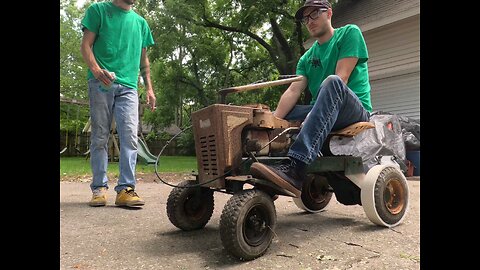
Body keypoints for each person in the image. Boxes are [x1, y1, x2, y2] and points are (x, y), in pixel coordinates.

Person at [250, 0, 372, 197]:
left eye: (315, 13)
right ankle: (269, 165)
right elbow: (293, 91)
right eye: (306, 18)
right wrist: (271, 122)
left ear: (329, 13)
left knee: (332, 82)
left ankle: (295, 167)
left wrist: (312, 116)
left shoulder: (349, 33)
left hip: (354, 110)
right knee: (272, 113)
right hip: (322, 109)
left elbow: (342, 78)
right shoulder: (307, 58)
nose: (310, 21)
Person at [80, 0, 156, 207]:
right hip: (100, 83)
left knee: (130, 137)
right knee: (100, 137)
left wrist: (149, 88)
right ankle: (99, 189)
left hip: (130, 87)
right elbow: (85, 45)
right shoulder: (98, 11)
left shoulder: (140, 23)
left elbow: (143, 61)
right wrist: (96, 71)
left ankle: (125, 189)